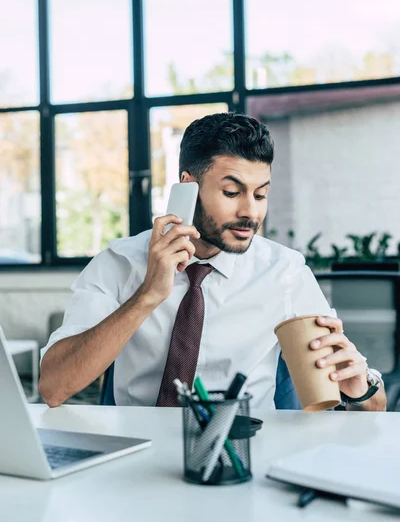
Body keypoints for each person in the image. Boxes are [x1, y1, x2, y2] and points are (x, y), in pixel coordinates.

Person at [39, 112, 386, 411]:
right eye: (232, 192)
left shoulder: (285, 273)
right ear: (188, 186)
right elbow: (53, 389)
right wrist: (147, 295)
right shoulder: (117, 263)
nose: (251, 211)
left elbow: (369, 409)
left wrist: (362, 387)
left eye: (261, 194)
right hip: (135, 449)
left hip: (245, 451)